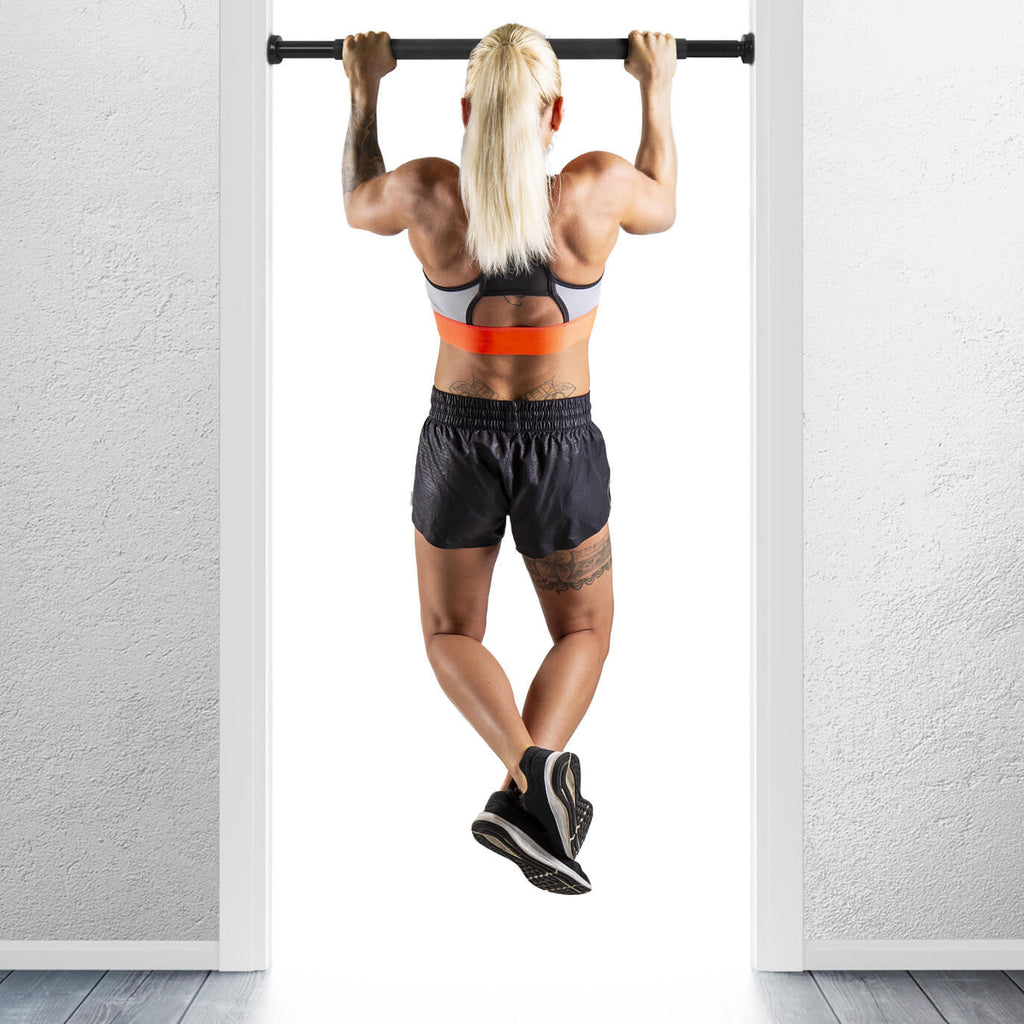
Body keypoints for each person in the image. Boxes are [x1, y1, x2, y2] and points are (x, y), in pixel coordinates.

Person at [341, 23, 677, 894]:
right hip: (561, 439)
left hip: (458, 441)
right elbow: (665, 203)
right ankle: (530, 786)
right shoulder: (598, 189)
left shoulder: (425, 192)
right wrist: (656, 85)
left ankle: (523, 787)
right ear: (556, 108)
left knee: (451, 634)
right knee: (586, 632)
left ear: (465, 110)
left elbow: (355, 201)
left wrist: (363, 89)